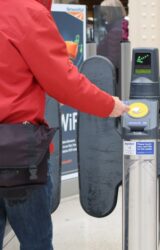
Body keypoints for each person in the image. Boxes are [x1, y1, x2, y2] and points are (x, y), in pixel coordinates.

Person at [0, 0, 129, 249]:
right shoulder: (27, 13)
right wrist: (107, 104)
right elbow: (63, 82)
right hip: (20, 159)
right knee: (35, 243)